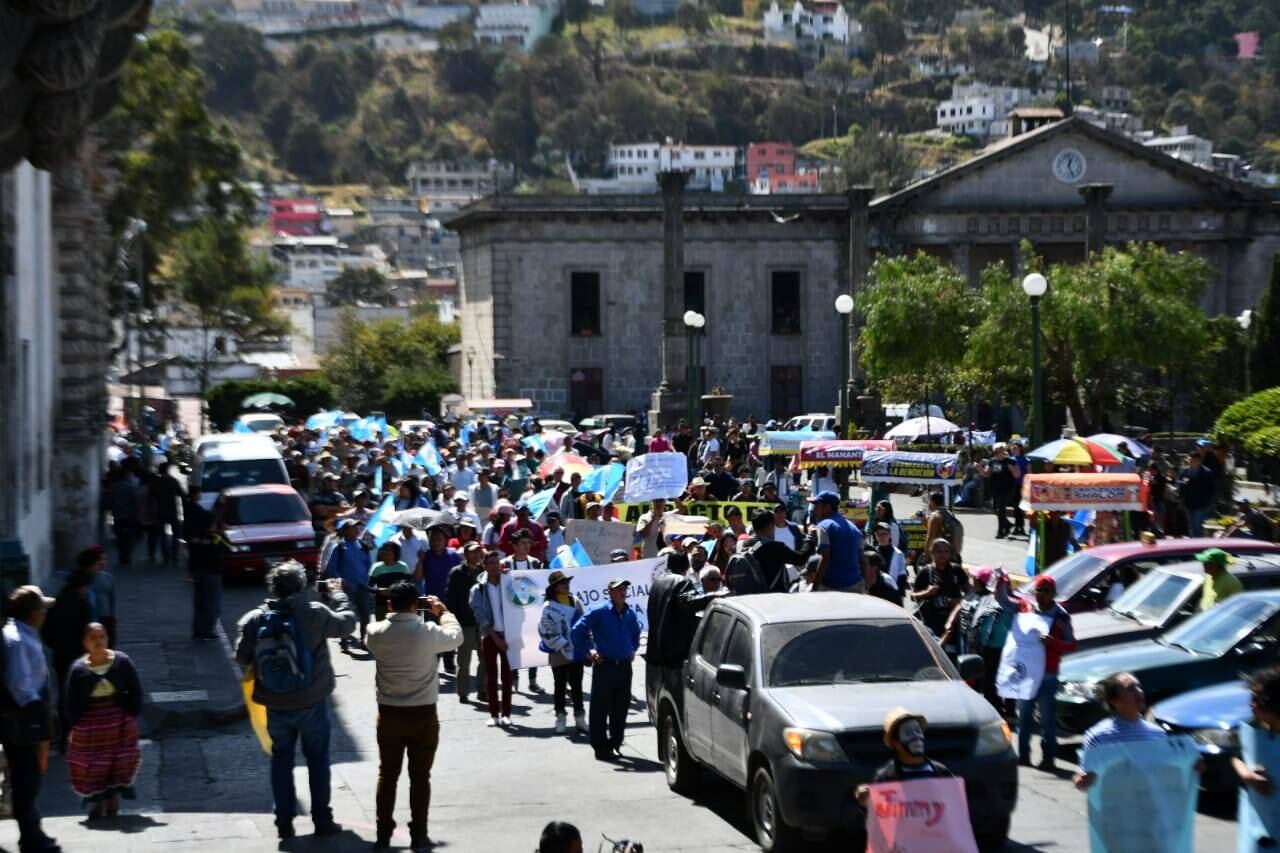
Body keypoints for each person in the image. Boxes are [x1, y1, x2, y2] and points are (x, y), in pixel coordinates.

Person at [235, 562, 357, 840]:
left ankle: (284, 821)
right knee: (318, 759)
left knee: (281, 760)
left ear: (273, 588)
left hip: (275, 703)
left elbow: (242, 657)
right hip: (312, 701)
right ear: (302, 586)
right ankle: (322, 819)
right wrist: (338, 595)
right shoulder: (314, 613)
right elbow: (347, 624)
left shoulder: (256, 619)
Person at [365, 582, 462, 851]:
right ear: (415, 605)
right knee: (420, 777)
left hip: (389, 714)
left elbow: (373, 640)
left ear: (390, 605)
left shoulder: (375, 632)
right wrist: (443, 612)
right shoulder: (427, 632)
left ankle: (383, 834)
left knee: (387, 775)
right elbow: (456, 637)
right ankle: (419, 834)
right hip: (423, 714)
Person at [995, 573, 1076, 770]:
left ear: (1054, 594)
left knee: (1047, 720)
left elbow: (1072, 645)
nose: (1042, 594)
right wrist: (1001, 581)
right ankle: (1023, 756)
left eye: (1047, 591)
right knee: (1024, 718)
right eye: (1039, 590)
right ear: (1034, 592)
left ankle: (1048, 759)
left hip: (1048, 676)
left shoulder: (1061, 616)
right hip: (1026, 674)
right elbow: (1003, 600)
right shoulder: (1025, 607)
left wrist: (1053, 643)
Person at [2, 585, 61, 853]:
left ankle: (32, 831)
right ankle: (30, 836)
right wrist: (38, 711)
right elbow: (19, 685)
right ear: (33, 613)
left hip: (26, 715)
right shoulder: (18, 640)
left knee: (29, 777)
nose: (45, 614)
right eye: (42, 609)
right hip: (23, 719)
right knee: (27, 778)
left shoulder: (23, 634)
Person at [63, 623, 143, 819]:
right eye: (93, 638)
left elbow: (136, 690)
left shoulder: (122, 662)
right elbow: (70, 701)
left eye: (102, 636)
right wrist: (75, 726)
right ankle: (97, 802)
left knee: (118, 761)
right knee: (93, 764)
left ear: (108, 638)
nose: (98, 641)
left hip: (118, 723)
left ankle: (113, 802)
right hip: (90, 725)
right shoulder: (78, 669)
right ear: (85, 643)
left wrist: (131, 715)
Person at [571, 578, 642, 761]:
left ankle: (615, 744)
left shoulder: (629, 613)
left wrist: (632, 649)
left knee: (621, 708)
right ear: (610, 592)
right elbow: (577, 631)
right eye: (618, 589)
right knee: (600, 709)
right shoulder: (599, 611)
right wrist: (589, 651)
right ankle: (600, 747)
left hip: (624, 667)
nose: (623, 592)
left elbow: (636, 634)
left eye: (625, 588)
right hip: (605, 665)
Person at [1073, 672, 1170, 791]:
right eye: (1131, 689)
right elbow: (1083, 778)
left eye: (1139, 687)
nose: (1139, 691)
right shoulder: (1098, 736)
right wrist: (1083, 780)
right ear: (1114, 700)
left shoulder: (1158, 734)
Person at [855, 707, 953, 807]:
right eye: (908, 733)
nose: (916, 736)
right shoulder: (885, 777)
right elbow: (878, 810)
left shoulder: (941, 772)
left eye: (918, 731)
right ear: (896, 743)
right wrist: (867, 800)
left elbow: (955, 806)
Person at [1234, 666, 1280, 852]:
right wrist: (1247, 775)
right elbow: (1237, 756)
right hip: (1259, 832)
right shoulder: (1255, 728)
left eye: (1256, 699)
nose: (1250, 704)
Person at [537, 571, 587, 735]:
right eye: (562, 583)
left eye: (567, 582)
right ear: (554, 587)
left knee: (577, 686)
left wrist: (585, 643)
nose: (566, 585)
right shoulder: (548, 605)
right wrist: (561, 642)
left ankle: (580, 718)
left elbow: (584, 622)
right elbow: (544, 627)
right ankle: (560, 717)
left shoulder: (575, 601)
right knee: (559, 685)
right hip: (558, 650)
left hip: (576, 649)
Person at [470, 550, 515, 727]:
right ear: (484, 566)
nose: (495, 566)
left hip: (509, 634)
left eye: (497, 562)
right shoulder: (478, 589)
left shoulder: (508, 583)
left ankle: (507, 714)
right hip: (490, 636)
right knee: (491, 675)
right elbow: (480, 616)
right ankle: (494, 714)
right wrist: (496, 638)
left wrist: (511, 575)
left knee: (507, 676)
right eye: (491, 563)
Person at [502, 529, 546, 694]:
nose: (527, 546)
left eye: (529, 543)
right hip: (512, 612)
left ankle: (533, 681)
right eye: (523, 543)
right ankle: (514, 680)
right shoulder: (505, 564)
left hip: (532, 610)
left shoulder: (535, 563)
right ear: (514, 546)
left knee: (533, 645)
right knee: (514, 646)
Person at [445, 542, 488, 704]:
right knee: (464, 660)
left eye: (478, 552)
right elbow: (450, 598)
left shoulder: (483, 572)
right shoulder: (456, 572)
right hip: (464, 621)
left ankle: (482, 690)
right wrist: (453, 619)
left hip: (481, 621)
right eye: (472, 552)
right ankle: (463, 692)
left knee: (485, 658)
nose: (476, 555)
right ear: (465, 554)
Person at [324, 518, 373, 649]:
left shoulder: (363, 546)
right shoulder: (339, 547)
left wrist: (366, 579)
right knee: (346, 614)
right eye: (353, 527)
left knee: (365, 614)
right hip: (346, 587)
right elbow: (332, 567)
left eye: (358, 527)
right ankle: (344, 640)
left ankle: (364, 639)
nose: (357, 530)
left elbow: (368, 564)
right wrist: (340, 579)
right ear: (345, 530)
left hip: (362, 586)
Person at [910, 539, 970, 638]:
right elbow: (913, 596)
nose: (943, 555)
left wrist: (960, 601)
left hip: (954, 620)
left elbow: (970, 592)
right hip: (932, 621)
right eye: (939, 551)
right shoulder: (925, 572)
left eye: (946, 551)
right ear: (932, 553)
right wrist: (927, 592)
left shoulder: (956, 570)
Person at [184, 487, 223, 641]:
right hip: (212, 571)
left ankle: (198, 630)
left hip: (197, 571)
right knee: (212, 603)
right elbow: (224, 547)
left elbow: (190, 553)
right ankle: (208, 630)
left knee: (199, 602)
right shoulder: (215, 538)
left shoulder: (194, 537)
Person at [808, 491, 863, 592]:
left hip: (832, 587)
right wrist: (866, 586)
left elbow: (825, 559)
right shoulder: (854, 528)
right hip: (855, 585)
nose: (814, 509)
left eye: (817, 505)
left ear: (827, 507)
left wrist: (815, 588)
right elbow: (862, 559)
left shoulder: (823, 526)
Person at [369, 541, 415, 620]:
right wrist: (378, 590)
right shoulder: (376, 567)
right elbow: (369, 587)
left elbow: (409, 586)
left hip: (399, 606)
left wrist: (396, 591)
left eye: (388, 550)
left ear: (395, 553)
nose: (385, 552)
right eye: (383, 549)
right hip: (381, 605)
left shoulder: (403, 567)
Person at [983, 444, 1018, 539]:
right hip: (995, 489)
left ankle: (1000, 532)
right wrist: (979, 468)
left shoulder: (1010, 461)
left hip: (1007, 489)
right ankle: (1007, 525)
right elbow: (987, 474)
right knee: (995, 509)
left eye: (998, 451)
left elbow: (1017, 475)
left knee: (1001, 509)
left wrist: (1012, 469)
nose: (996, 453)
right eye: (995, 452)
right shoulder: (992, 461)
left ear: (1003, 452)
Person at [1178, 452, 1216, 537]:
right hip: (1188, 503)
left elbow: (1211, 489)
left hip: (1201, 505)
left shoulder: (1206, 472)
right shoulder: (1185, 471)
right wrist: (1183, 483)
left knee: (1197, 526)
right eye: (1190, 460)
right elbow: (1179, 483)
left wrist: (1208, 502)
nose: (1190, 462)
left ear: (1198, 461)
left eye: (1192, 460)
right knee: (1191, 526)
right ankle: (1194, 541)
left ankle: (1198, 542)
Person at [924, 491, 964, 562]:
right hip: (954, 555)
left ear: (932, 502)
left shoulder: (935, 516)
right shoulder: (948, 514)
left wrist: (926, 554)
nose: (928, 504)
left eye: (929, 501)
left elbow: (930, 537)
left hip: (941, 557)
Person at [869, 522, 908, 590]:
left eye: (885, 534)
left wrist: (900, 593)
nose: (882, 537)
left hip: (892, 591)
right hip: (874, 591)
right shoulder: (872, 552)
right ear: (875, 535)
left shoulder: (898, 554)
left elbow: (902, 576)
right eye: (879, 534)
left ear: (890, 535)